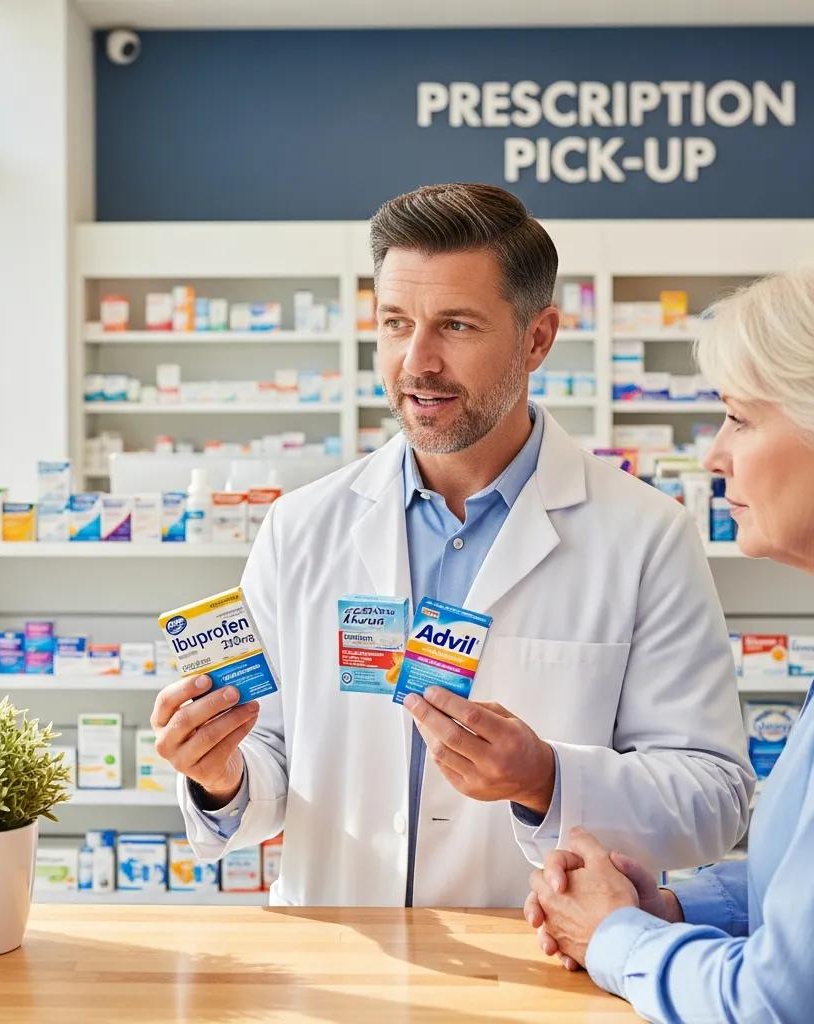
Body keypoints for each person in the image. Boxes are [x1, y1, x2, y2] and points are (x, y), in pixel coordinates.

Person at [151, 182, 753, 907]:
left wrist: (547, 779)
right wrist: (220, 773)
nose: (417, 361)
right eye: (397, 322)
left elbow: (714, 799)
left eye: (457, 326)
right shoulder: (302, 526)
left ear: (538, 338)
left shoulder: (645, 535)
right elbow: (271, 761)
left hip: (537, 966)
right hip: (340, 966)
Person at [525, 266, 814, 1021]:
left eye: (740, 420)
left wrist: (615, 935)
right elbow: (793, 892)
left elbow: (777, 1001)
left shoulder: (647, 531)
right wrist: (675, 905)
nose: (714, 457)